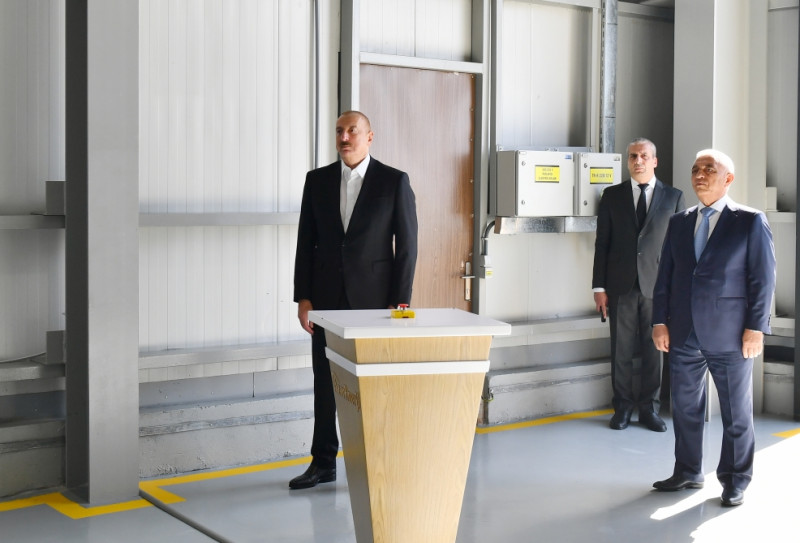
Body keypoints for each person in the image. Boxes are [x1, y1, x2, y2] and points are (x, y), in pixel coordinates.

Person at [290, 110, 418, 489]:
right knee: (325, 382)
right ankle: (323, 462)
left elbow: (407, 246)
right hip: (325, 301)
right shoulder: (317, 181)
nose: (344, 138)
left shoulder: (393, 181)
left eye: (352, 131)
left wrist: (400, 302)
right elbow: (305, 243)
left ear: (369, 136)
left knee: (374, 385)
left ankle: (377, 460)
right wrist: (303, 297)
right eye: (339, 131)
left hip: (375, 303)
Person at [651, 149, 776, 507]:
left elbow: (763, 279)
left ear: (728, 179)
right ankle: (688, 471)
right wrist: (659, 321)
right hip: (683, 332)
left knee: (736, 412)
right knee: (684, 408)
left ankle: (735, 480)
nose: (700, 175)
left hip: (731, 334)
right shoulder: (680, 221)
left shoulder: (750, 221)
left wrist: (756, 327)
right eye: (695, 170)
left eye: (709, 169)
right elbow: (665, 276)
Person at [592, 138, 685, 431]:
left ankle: (649, 409)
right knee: (620, 350)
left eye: (644, 156)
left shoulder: (674, 197)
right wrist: (598, 287)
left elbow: (680, 249)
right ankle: (621, 408)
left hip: (658, 288)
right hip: (619, 286)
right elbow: (602, 244)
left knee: (654, 351)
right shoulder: (612, 196)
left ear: (655, 161)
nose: (638, 161)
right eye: (633, 156)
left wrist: (677, 290)